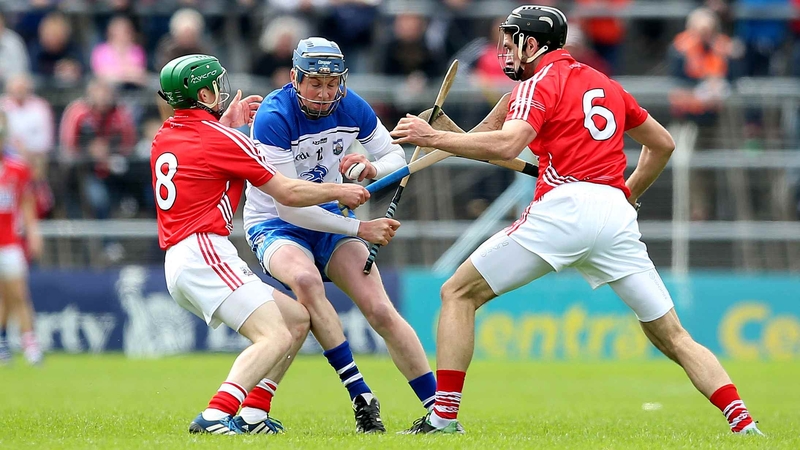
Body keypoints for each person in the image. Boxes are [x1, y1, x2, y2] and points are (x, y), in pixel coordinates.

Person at [391, 5, 764, 436]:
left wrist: (430, 136)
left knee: (457, 292)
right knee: (673, 336)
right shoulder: (602, 82)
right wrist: (630, 193)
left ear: (533, 44)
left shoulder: (536, 83)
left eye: (511, 43)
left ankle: (443, 418)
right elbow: (661, 144)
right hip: (614, 216)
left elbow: (508, 145)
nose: (505, 52)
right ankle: (743, 424)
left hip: (564, 210)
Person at [152, 54, 372, 435]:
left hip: (183, 257)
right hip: (204, 251)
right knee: (274, 336)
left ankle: (254, 415)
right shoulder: (224, 139)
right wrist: (340, 190)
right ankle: (216, 415)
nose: (222, 92)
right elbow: (285, 190)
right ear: (203, 93)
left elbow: (204, 152)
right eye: (215, 87)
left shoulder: (164, 135)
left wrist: (228, 126)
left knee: (297, 318)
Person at [243, 37, 435, 433]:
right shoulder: (273, 117)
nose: (324, 93)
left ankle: (440, 413)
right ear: (295, 77)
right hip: (274, 222)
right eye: (315, 83)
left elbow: (394, 155)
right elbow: (290, 204)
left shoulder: (351, 106)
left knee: (380, 310)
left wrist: (369, 168)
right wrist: (360, 227)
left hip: (330, 216)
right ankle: (360, 393)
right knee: (305, 281)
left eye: (332, 84)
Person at [0, 110, 44, 366]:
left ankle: (30, 344)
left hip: (10, 241)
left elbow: (27, 205)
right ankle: (4, 343)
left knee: (18, 292)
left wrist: (34, 232)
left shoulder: (17, 168)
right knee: (3, 296)